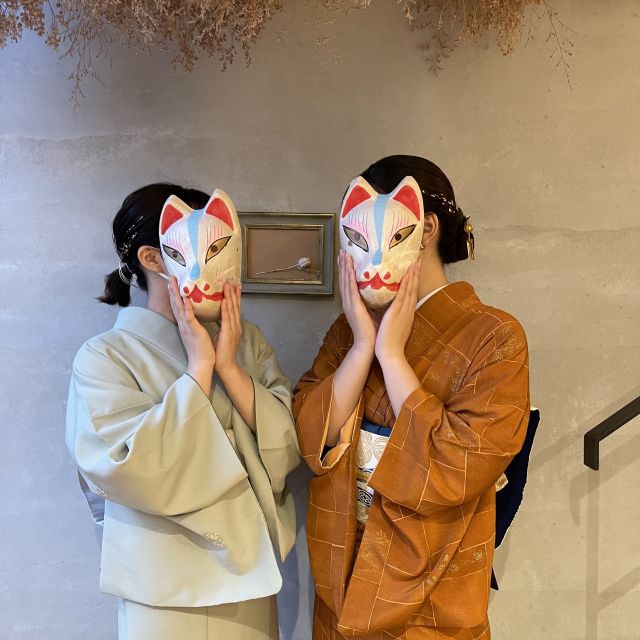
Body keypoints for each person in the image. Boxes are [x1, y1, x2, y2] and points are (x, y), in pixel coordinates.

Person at [293, 155, 530, 639]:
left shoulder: (495, 335)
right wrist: (362, 346)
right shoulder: (348, 330)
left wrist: (392, 357)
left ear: (426, 228)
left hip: (434, 586)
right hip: (343, 571)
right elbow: (311, 435)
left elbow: (459, 465)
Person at [65, 183, 300, 640]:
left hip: (248, 575)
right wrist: (198, 371)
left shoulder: (246, 342)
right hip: (162, 583)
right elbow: (123, 466)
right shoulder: (105, 356)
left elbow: (288, 448)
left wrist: (229, 368)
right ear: (153, 259)